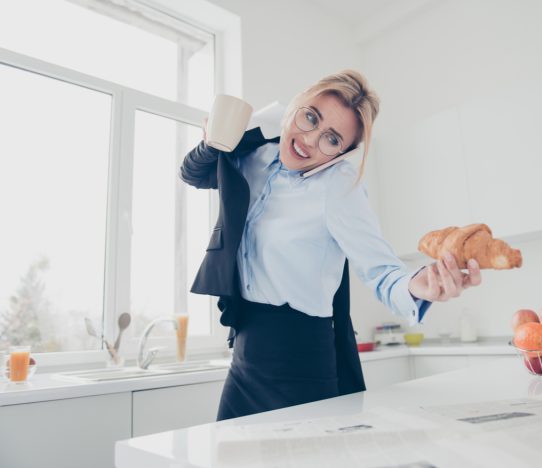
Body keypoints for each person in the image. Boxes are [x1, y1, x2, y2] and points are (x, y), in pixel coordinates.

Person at [180, 70, 482, 421]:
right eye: (310, 117)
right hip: (245, 357)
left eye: (332, 139)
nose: (309, 140)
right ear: (295, 105)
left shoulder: (338, 186)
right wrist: (214, 140)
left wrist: (421, 286)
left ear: (344, 152)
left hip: (301, 365)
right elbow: (192, 173)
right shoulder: (254, 153)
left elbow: (383, 273)